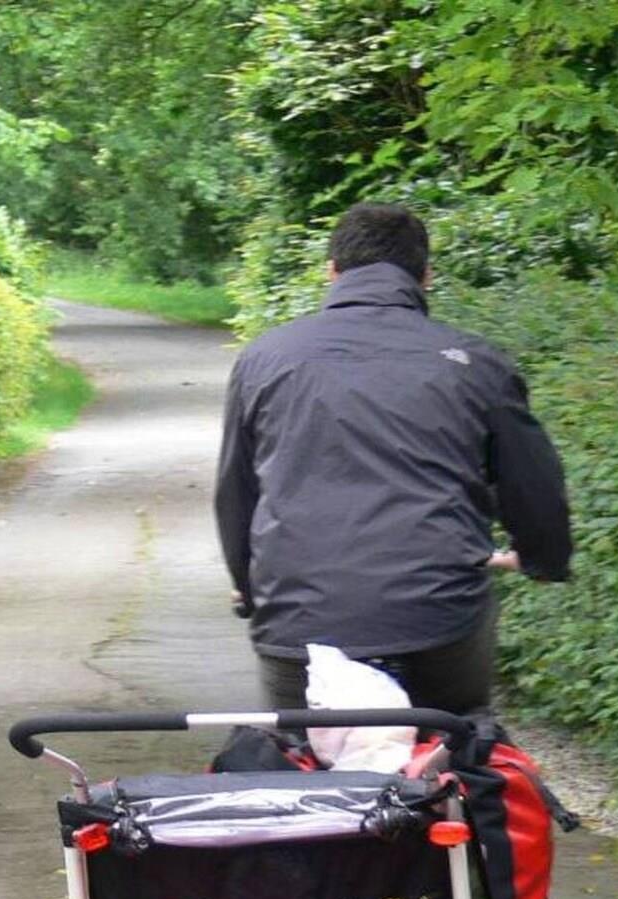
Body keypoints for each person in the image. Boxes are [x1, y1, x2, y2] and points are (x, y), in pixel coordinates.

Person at [215, 202, 572, 715]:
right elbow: (534, 485)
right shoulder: (475, 363)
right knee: (457, 737)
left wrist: (250, 589)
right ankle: (458, 758)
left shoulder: (264, 359)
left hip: (299, 619)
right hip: (436, 617)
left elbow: (236, 493)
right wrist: (543, 559)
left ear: (332, 272)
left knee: (296, 748)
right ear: (426, 276)